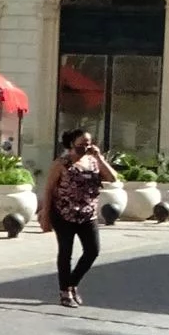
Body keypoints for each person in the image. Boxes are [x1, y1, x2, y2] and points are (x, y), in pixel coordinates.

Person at [40, 128, 116, 307]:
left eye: (88, 143)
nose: (86, 147)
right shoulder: (61, 163)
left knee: (92, 251)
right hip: (63, 214)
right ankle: (64, 291)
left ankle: (72, 283)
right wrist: (45, 215)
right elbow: (49, 189)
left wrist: (100, 158)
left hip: (87, 215)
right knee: (66, 252)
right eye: (82, 144)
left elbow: (113, 178)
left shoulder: (94, 162)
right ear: (72, 144)